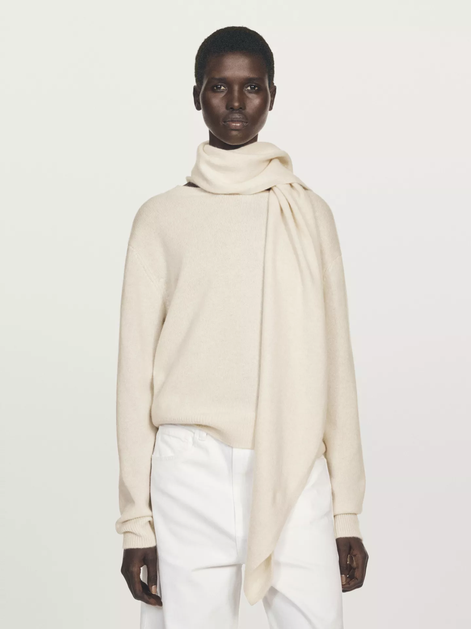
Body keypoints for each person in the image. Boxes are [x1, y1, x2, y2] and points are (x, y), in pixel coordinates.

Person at [115, 25, 368, 629]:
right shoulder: (160, 219)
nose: (235, 102)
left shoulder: (309, 213)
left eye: (251, 87)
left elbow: (337, 367)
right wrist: (136, 524)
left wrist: (346, 514)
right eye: (218, 87)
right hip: (189, 469)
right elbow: (133, 376)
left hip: (294, 459)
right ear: (196, 95)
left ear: (272, 96)